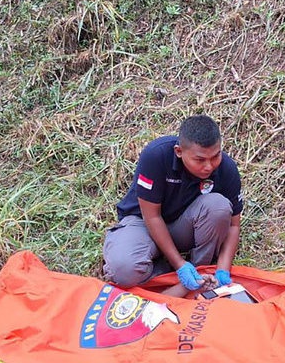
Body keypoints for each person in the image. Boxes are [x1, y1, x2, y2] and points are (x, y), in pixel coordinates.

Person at [102, 114, 243, 295]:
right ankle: (169, 271)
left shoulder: (226, 168)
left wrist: (223, 270)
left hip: (183, 227)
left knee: (218, 206)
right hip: (143, 224)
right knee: (123, 270)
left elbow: (233, 225)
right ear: (179, 152)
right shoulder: (156, 156)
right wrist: (179, 264)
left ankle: (200, 274)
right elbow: (152, 216)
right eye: (200, 160)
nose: (209, 166)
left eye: (215, 156)